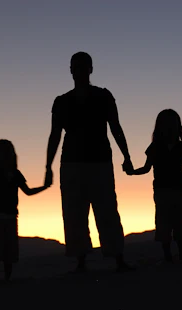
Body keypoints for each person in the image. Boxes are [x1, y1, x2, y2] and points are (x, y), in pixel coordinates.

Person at [45, 51, 135, 273]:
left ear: (90, 69)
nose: (79, 71)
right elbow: (55, 134)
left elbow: (115, 127)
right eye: (75, 67)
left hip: (100, 162)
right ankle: (81, 261)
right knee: (75, 213)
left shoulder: (103, 96)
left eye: (83, 67)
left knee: (107, 210)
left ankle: (117, 257)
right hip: (72, 164)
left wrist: (127, 156)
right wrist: (48, 166)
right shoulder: (61, 102)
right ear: (71, 70)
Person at [126, 109, 182, 263]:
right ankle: (168, 257)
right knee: (164, 223)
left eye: (172, 123)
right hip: (162, 190)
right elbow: (146, 168)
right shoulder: (155, 147)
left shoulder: (181, 146)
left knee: (179, 222)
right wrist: (132, 172)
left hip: (178, 190)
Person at [0, 140, 51, 282]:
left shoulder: (7, 173)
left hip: (6, 216)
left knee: (3, 248)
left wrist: (44, 187)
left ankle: (2, 278)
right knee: (1, 248)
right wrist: (44, 187)